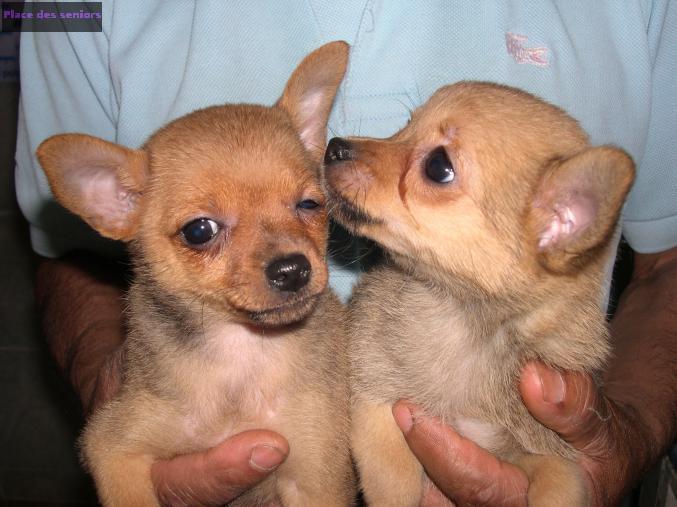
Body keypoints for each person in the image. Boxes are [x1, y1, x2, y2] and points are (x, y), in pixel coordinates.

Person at [16, 2, 676, 505]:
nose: (284, 255)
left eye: (306, 204)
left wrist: (627, 439)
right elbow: (66, 255)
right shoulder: (57, 10)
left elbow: (667, 261)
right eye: (201, 230)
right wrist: (116, 383)